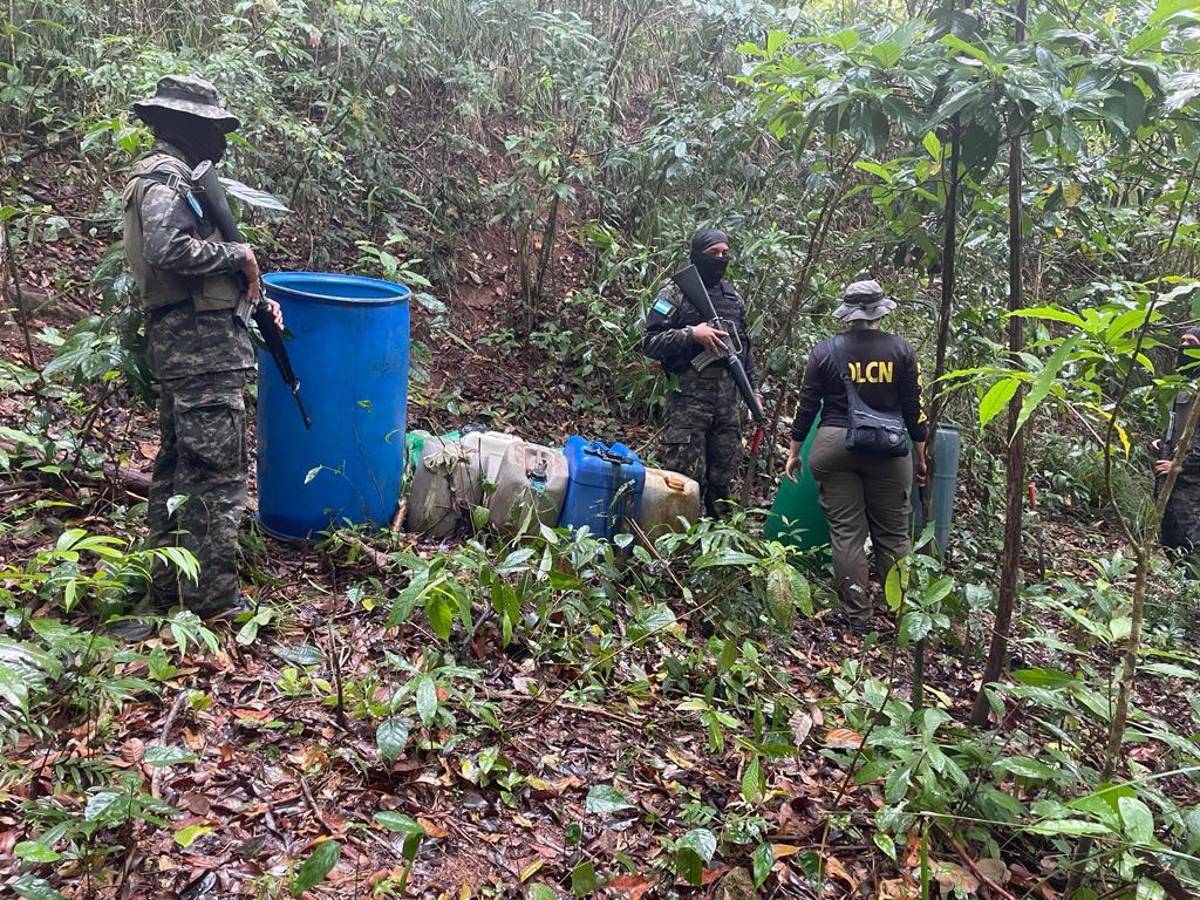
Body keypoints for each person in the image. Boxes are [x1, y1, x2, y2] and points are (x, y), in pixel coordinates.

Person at [123, 75, 282, 625]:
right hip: (201, 355)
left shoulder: (171, 178)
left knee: (176, 472)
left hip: (192, 349)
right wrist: (237, 253)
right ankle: (212, 604)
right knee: (215, 480)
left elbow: (192, 266)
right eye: (213, 127)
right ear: (187, 126)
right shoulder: (166, 179)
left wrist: (250, 294)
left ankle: (168, 591)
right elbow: (169, 250)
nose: (221, 139)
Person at [785, 279, 928, 632]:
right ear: (880, 311)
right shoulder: (902, 351)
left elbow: (806, 407)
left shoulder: (824, 351)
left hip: (834, 446)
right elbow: (915, 409)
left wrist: (794, 451)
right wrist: (921, 455)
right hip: (889, 450)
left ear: (847, 313)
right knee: (893, 535)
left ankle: (857, 617)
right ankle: (900, 616)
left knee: (846, 534)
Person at [642, 228, 758, 517]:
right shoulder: (674, 293)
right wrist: (692, 334)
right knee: (683, 478)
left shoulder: (732, 297)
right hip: (689, 402)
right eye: (713, 253)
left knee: (723, 476)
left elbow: (743, 347)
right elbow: (649, 342)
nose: (720, 259)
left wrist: (753, 391)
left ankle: (718, 543)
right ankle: (678, 545)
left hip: (728, 402)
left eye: (724, 253)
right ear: (696, 256)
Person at [1152, 327, 1200, 565]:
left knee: (1190, 541)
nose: (1184, 347)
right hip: (1171, 476)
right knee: (1170, 536)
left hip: (1192, 482)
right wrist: (1163, 443)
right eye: (1181, 341)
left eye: (1191, 343)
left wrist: (1180, 465)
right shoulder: (1181, 385)